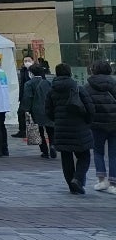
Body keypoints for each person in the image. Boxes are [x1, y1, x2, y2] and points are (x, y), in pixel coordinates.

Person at [46, 63, 95, 195]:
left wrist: (57, 119)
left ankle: (71, 186)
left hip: (61, 128)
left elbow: (48, 111)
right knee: (84, 155)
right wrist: (88, 121)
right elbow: (90, 108)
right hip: (79, 127)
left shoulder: (52, 91)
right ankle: (78, 179)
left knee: (66, 157)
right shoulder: (77, 88)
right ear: (69, 73)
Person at [84, 61, 116, 194]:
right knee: (114, 154)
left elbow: (86, 105)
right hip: (114, 123)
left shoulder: (88, 86)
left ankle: (102, 180)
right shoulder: (114, 83)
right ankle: (113, 183)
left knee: (98, 152)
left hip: (96, 124)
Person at [21, 63, 56, 158]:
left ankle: (44, 151)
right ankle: (52, 145)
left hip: (35, 110)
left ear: (31, 73)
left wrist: (26, 109)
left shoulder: (29, 84)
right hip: (48, 108)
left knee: (39, 132)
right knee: (50, 130)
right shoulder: (47, 82)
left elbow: (28, 98)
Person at [13, 56, 36, 138]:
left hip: (34, 95)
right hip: (24, 95)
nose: (27, 62)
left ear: (33, 61)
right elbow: (22, 83)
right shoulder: (23, 70)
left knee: (33, 114)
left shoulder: (36, 70)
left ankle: (34, 132)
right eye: (25, 61)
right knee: (21, 113)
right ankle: (22, 131)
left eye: (28, 60)